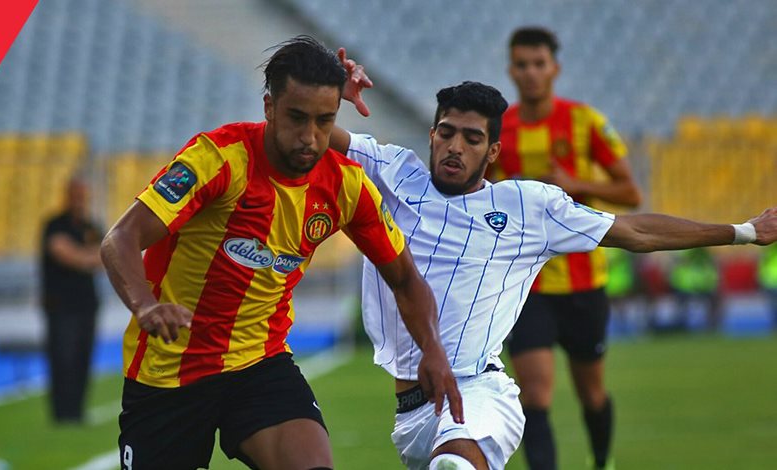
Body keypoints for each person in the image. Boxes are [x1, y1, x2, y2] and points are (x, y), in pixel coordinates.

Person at [329, 53, 777, 470]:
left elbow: (635, 231)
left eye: (472, 138)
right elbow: (306, 132)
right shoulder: (392, 171)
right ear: (431, 135)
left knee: (457, 462)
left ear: (492, 152)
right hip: (410, 414)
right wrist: (332, 93)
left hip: (476, 395)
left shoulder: (528, 207)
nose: (455, 147)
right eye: (446, 132)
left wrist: (743, 231)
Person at [99, 36, 460, 470]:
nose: (310, 137)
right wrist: (145, 306)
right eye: (296, 117)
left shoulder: (346, 186)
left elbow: (405, 279)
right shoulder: (219, 159)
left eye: (324, 121)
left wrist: (433, 350)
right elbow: (120, 239)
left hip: (259, 362)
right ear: (269, 107)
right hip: (169, 368)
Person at [492, 27, 643, 470]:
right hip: (527, 284)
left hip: (584, 281)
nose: (531, 73)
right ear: (511, 70)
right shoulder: (501, 127)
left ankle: (602, 461)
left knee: (591, 394)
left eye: (539, 64)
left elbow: (630, 193)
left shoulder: (585, 121)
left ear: (555, 68)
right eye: (522, 64)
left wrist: (576, 185)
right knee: (534, 398)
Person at [40, 177, 104, 424]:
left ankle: (77, 411)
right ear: (67, 195)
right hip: (60, 305)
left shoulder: (91, 226)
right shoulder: (55, 224)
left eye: (82, 194)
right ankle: (61, 413)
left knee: (83, 357)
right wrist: (87, 258)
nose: (79, 199)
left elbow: (106, 253)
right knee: (62, 357)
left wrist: (84, 257)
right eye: (75, 194)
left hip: (86, 303)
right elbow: (64, 253)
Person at [665, 248, 720, 332]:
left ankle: (711, 324)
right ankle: (682, 324)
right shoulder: (686, 260)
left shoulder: (702, 258)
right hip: (686, 289)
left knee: (712, 302)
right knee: (681, 305)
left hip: (700, 288)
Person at [759, 244, 777, 330]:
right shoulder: (769, 253)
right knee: (773, 305)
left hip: (770, 282)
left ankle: (774, 324)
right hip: (771, 282)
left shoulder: (768, 253)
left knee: (773, 305)